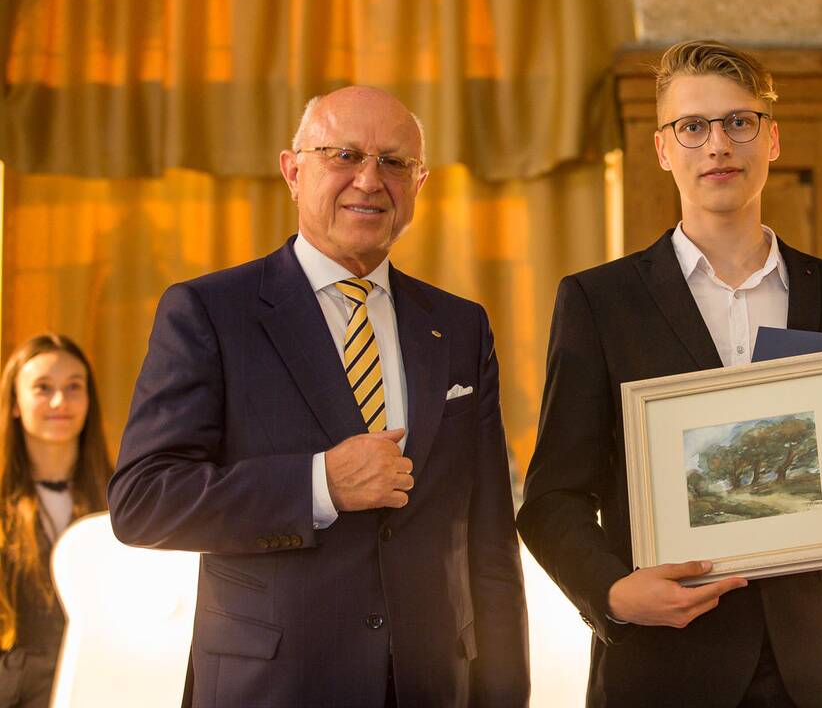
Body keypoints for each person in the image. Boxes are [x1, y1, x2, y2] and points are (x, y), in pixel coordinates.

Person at [517, 40, 822, 708]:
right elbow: (552, 498)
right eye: (692, 126)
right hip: (662, 666)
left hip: (813, 671)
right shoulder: (599, 302)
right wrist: (612, 593)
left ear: (771, 139)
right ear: (663, 149)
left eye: (739, 122)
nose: (718, 145)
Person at [108, 86, 530, 708]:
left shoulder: (460, 326)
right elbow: (143, 501)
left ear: (419, 184)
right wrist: (319, 485)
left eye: (394, 162)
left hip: (431, 686)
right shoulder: (209, 312)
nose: (370, 180)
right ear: (292, 170)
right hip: (271, 688)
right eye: (344, 155)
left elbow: (490, 540)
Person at [0, 334, 112, 708]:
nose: (60, 401)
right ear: (15, 402)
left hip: (102, 692)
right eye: (43, 388)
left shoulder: (123, 499)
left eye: (74, 386)